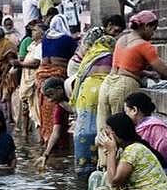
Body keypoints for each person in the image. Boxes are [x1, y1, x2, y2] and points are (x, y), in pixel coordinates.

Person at [96, 11, 167, 167]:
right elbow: (165, 72)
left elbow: (126, 66)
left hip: (107, 83)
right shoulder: (144, 45)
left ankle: (104, 166)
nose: (153, 34)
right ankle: (120, 169)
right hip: (124, 85)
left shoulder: (121, 39)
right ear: (146, 26)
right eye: (153, 29)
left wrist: (147, 73)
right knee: (122, 132)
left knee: (104, 129)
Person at [92, 113, 167, 190]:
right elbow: (112, 180)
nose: (106, 136)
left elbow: (114, 182)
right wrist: (110, 151)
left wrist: (111, 152)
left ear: (116, 133)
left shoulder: (134, 149)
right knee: (99, 181)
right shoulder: (124, 150)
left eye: (108, 131)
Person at [69, 33, 116, 176]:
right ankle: (100, 165)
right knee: (100, 126)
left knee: (83, 128)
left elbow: (79, 77)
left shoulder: (90, 55)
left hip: (85, 92)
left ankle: (83, 167)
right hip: (102, 90)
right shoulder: (109, 55)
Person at [124, 92, 167, 190]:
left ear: (134, 110)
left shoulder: (156, 128)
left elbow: (162, 160)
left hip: (164, 180)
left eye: (126, 111)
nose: (125, 115)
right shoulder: (139, 128)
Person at [35, 15, 78, 144]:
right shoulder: (67, 39)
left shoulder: (45, 39)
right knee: (58, 110)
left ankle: (45, 138)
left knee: (44, 109)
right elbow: (74, 59)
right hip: (58, 76)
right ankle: (59, 143)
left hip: (42, 77)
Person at [34, 77, 73, 170]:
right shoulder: (60, 108)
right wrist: (46, 154)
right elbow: (55, 133)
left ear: (60, 89)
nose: (49, 100)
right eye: (46, 97)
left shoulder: (72, 92)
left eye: (51, 95)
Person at [13, 22, 43, 134]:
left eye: (35, 30)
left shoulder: (40, 46)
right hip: (26, 79)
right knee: (26, 107)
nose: (32, 32)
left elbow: (36, 63)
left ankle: (40, 139)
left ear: (42, 33)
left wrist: (20, 64)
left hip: (33, 80)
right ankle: (25, 133)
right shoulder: (33, 45)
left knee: (36, 110)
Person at [0, 25, 18, 122]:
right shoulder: (0, 44)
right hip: (2, 73)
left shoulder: (7, 44)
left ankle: (10, 117)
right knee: (6, 97)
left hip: (8, 73)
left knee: (8, 96)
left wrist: (4, 73)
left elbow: (10, 60)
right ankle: (7, 116)